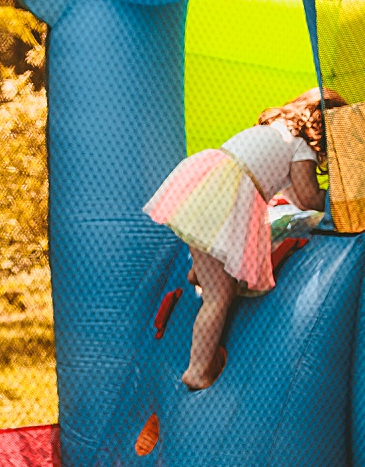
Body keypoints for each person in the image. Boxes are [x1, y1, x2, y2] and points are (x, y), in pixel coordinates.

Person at [143, 87, 346, 390]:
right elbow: (306, 196)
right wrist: (335, 199)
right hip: (226, 198)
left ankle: (200, 268)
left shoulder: (277, 130)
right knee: (219, 297)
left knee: (208, 243)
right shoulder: (302, 146)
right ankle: (197, 370)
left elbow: (288, 189)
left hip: (206, 185)